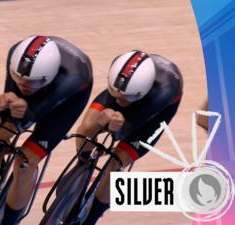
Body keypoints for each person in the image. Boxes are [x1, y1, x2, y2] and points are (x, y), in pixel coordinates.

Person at [0, 35, 93, 225]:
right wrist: (7, 107)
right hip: (38, 81)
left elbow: (35, 113)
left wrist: (24, 111)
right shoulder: (16, 56)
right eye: (19, 79)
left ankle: (10, 221)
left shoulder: (75, 75)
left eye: (29, 83)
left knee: (25, 162)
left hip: (64, 102)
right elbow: (8, 112)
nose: (23, 85)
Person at [76, 50, 183, 225]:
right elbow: (90, 126)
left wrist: (116, 128)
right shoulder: (120, 74)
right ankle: (81, 168)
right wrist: (99, 122)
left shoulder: (166, 90)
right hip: (128, 87)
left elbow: (128, 128)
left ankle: (91, 218)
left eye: (126, 98)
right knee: (87, 128)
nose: (121, 101)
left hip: (153, 111)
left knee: (117, 163)